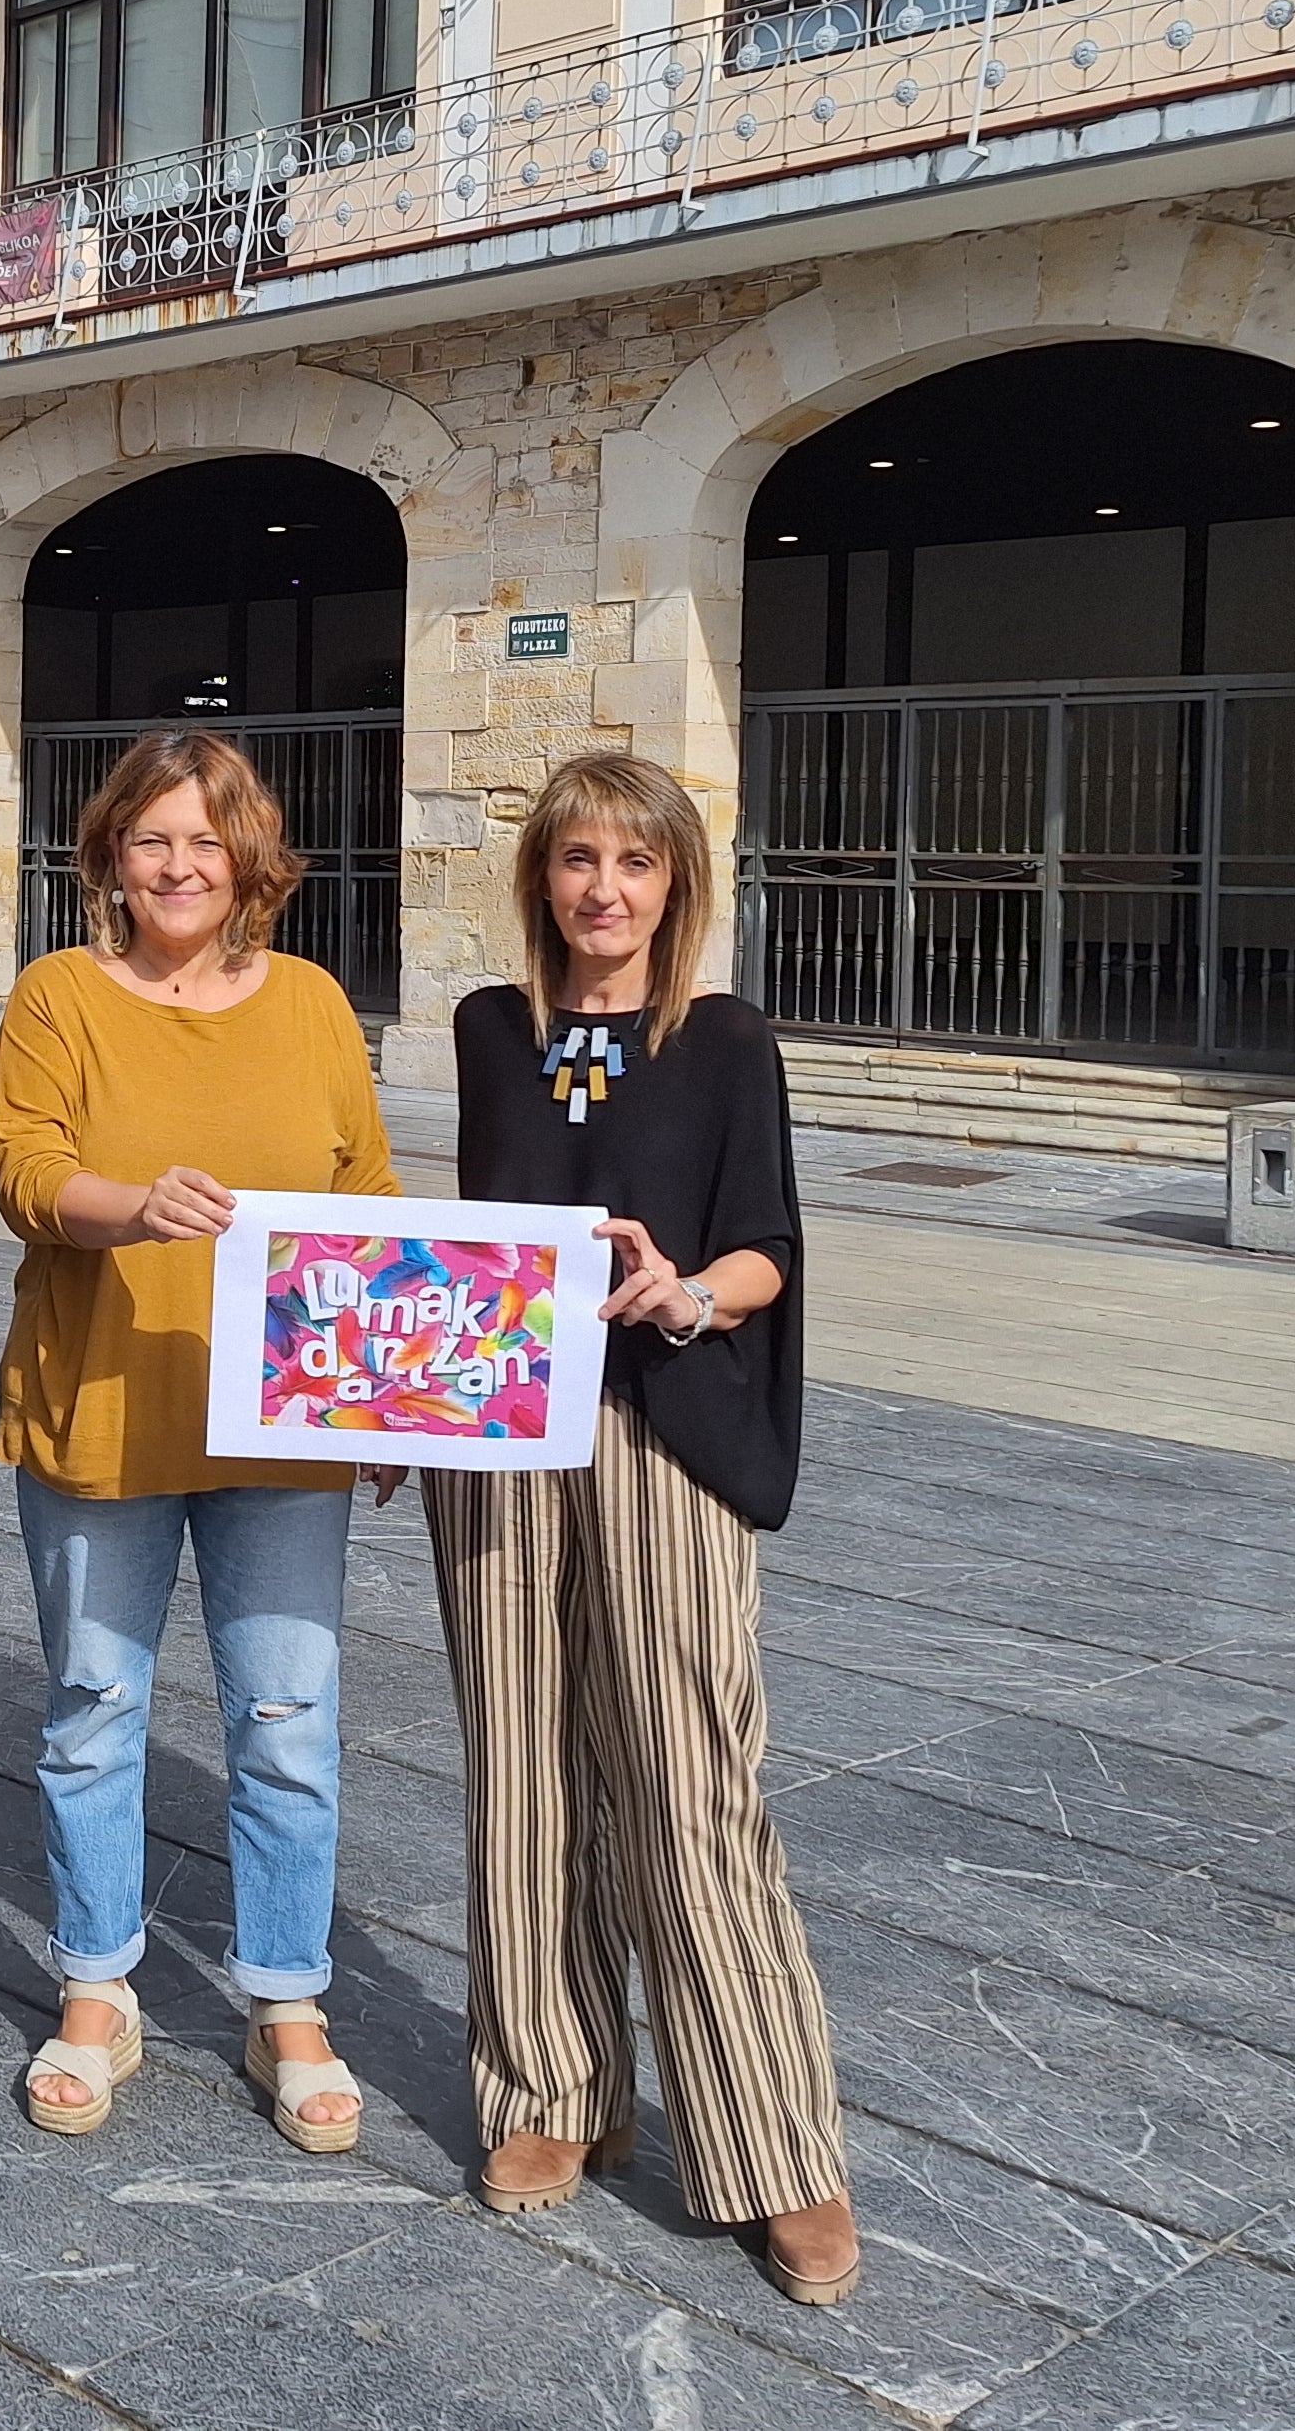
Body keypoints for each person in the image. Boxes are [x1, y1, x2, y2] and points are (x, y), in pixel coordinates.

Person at [424, 750, 860, 2305]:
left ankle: (775, 2142)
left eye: (636, 863)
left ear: (678, 885)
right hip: (503, 1442)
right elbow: (466, 1247)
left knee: (691, 1779)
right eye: (577, 860)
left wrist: (688, 1293)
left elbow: (770, 1249)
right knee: (524, 1769)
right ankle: (553, 2094)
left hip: (664, 1429)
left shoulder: (725, 1040)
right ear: (541, 877)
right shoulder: (491, 1033)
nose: (604, 890)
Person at [0, 730, 389, 2152]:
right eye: (152, 838)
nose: (178, 863)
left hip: (284, 1424)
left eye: (205, 840)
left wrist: (392, 1396)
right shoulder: (56, 996)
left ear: (249, 860)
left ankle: (286, 1999)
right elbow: (18, 1166)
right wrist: (130, 1205)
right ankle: (99, 1988)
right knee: (93, 1713)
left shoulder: (318, 1006)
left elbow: (371, 1197)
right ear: (112, 856)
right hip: (104, 1406)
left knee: (288, 1724)